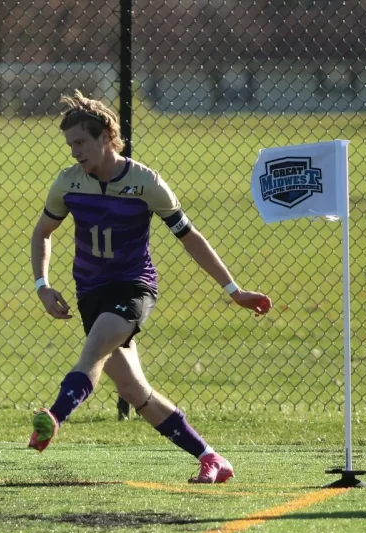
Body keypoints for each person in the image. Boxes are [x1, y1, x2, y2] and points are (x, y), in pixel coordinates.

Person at [27, 91, 272, 484]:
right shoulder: (68, 183)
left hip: (132, 289)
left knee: (93, 350)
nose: (74, 152)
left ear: (106, 137)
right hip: (91, 294)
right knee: (132, 389)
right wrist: (42, 284)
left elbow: (190, 237)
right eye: (69, 144)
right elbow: (43, 233)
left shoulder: (145, 182)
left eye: (80, 143)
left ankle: (54, 417)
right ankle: (210, 457)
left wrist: (234, 290)